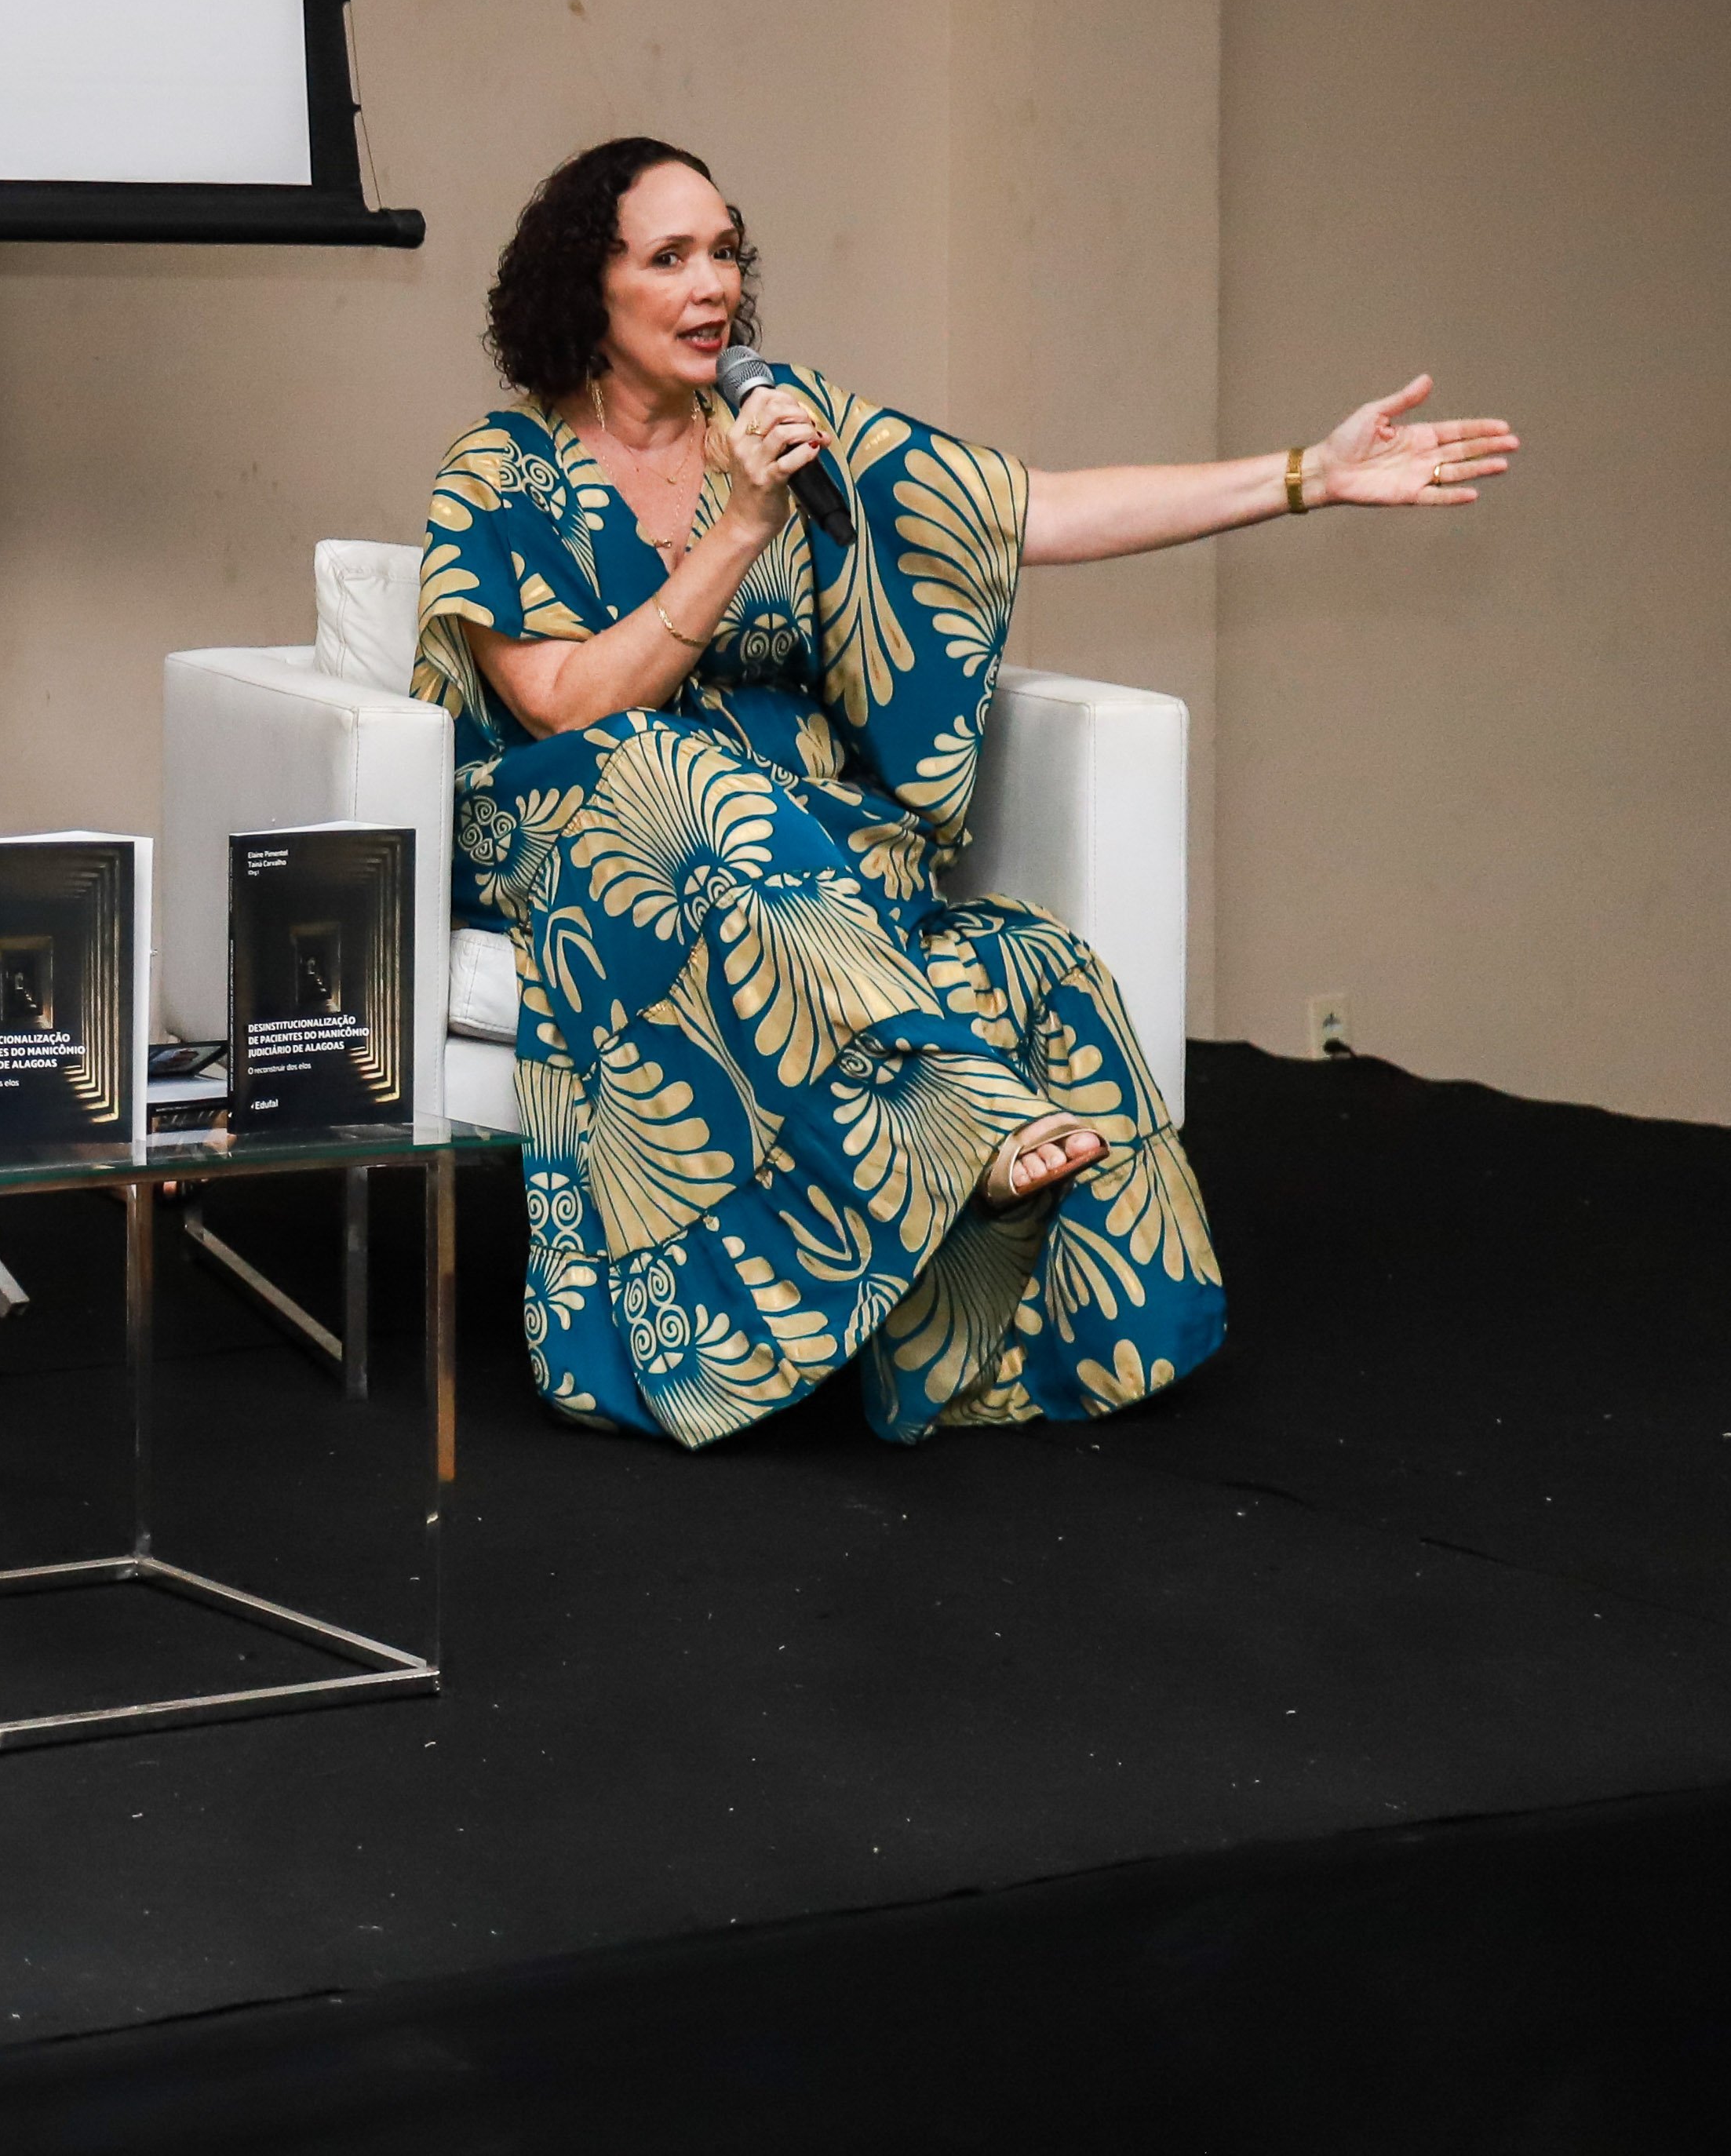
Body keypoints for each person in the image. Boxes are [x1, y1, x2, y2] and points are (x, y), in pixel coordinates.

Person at [417, 136, 1519, 1444]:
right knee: (671, 770)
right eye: (669, 258)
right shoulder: (500, 469)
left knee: (1027, 960)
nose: (713, 285)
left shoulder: (788, 425)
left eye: (725, 252)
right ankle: (954, 1117)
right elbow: (567, 703)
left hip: (793, 848)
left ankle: (999, 1322)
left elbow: (1029, 510)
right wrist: (744, 531)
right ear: (584, 286)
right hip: (580, 821)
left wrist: (1305, 479)